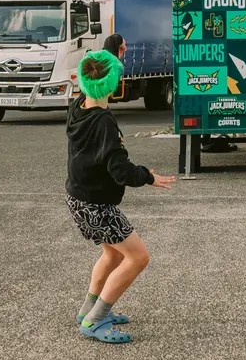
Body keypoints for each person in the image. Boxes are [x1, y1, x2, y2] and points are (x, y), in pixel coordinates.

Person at [67, 49, 175, 344]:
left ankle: (87, 309)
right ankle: (95, 319)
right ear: (112, 83)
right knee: (138, 257)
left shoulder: (78, 106)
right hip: (96, 206)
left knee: (113, 253)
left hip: (78, 199)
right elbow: (120, 171)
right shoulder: (104, 123)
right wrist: (148, 176)